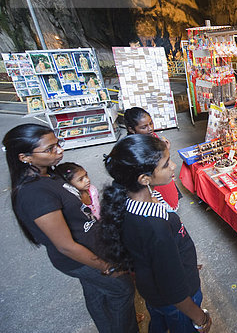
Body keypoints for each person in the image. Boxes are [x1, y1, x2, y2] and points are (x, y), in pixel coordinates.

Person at [2, 123, 138, 333]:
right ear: (24, 157)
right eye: (50, 149)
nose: (59, 150)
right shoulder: (34, 194)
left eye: (57, 144)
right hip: (79, 258)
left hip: (91, 248)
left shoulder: (47, 174)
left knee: (96, 292)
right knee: (122, 289)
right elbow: (65, 246)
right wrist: (105, 266)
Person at [99, 134, 212, 333]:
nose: (174, 166)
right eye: (166, 164)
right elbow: (174, 290)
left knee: (159, 323)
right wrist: (200, 318)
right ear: (144, 179)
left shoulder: (128, 202)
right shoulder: (155, 227)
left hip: (152, 291)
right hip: (178, 302)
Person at [124, 107, 180, 210]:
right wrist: (164, 151)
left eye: (151, 123)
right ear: (131, 129)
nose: (150, 128)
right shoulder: (134, 149)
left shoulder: (151, 136)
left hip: (162, 179)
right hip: (154, 184)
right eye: (144, 127)